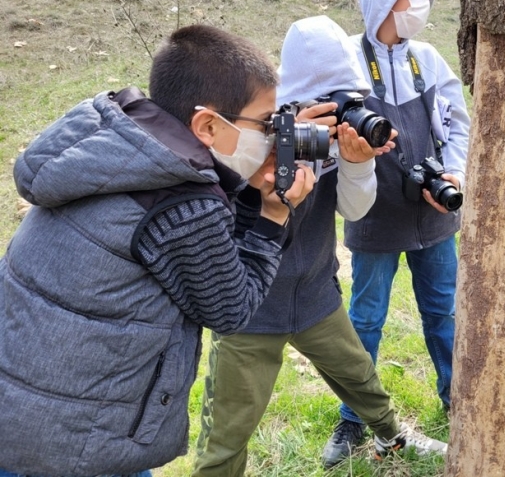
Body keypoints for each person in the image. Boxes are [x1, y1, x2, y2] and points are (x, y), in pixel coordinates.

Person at [0, 24, 316, 477]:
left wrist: (242, 183)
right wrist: (274, 213)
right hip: (78, 443)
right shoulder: (180, 204)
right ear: (208, 124)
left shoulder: (120, 145)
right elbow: (231, 308)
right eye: (265, 124)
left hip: (22, 403)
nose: (272, 136)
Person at [191, 15, 448, 476]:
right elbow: (218, 203)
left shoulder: (339, 138)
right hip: (250, 306)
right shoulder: (257, 136)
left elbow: (353, 212)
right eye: (328, 100)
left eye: (348, 99)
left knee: (360, 377)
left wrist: (355, 164)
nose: (339, 112)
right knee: (228, 431)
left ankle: (394, 438)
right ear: (297, 95)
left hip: (314, 293)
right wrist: (278, 146)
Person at [325, 0, 471, 458]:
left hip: (434, 211)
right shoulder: (343, 59)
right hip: (371, 212)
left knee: (444, 312)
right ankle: (354, 419)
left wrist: (454, 174)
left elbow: (458, 126)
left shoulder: (427, 60)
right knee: (364, 320)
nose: (420, 2)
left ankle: (461, 402)